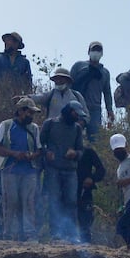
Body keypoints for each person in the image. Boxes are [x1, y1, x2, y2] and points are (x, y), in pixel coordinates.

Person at [0, 98, 43, 241]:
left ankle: (29, 234)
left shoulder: (34, 128)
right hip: (10, 171)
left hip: (29, 171)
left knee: (28, 202)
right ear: (21, 111)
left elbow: (39, 150)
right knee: (11, 202)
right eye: (29, 112)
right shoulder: (6, 125)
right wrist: (14, 154)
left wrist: (31, 155)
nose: (31, 116)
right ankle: (8, 234)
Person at [41, 101, 87, 242]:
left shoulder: (77, 129)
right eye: (75, 114)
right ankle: (56, 234)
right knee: (54, 201)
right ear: (68, 111)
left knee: (71, 202)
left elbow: (81, 150)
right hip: (53, 169)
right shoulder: (50, 124)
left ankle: (72, 234)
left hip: (70, 170)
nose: (77, 117)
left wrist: (75, 153)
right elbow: (40, 143)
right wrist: (46, 152)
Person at [68, 42, 113, 139]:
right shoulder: (78, 66)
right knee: (74, 135)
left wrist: (110, 110)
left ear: (102, 54)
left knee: (95, 138)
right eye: (93, 50)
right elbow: (69, 84)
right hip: (77, 106)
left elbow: (107, 92)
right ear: (88, 52)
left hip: (95, 109)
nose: (96, 53)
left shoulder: (104, 72)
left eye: (98, 50)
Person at [76, 139, 108, 243]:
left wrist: (92, 178)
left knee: (85, 222)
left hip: (85, 192)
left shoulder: (88, 152)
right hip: (67, 192)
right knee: (65, 218)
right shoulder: (64, 152)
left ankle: (86, 247)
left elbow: (101, 170)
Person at [0, 32, 34, 99]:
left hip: (18, 96)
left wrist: (27, 98)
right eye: (6, 41)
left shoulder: (24, 62)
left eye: (9, 41)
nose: (6, 43)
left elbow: (28, 82)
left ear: (16, 44)